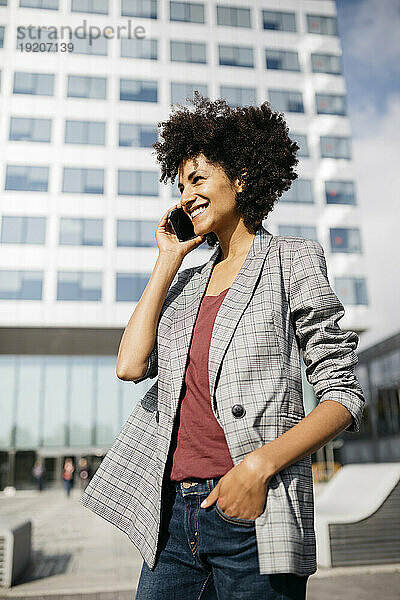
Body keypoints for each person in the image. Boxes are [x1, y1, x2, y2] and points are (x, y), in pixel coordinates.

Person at [80, 92, 365, 599]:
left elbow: (343, 395)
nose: (186, 195)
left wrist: (257, 468)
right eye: (181, 184)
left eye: (198, 179)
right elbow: (129, 365)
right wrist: (168, 259)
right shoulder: (187, 283)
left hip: (252, 508)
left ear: (241, 177)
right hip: (170, 518)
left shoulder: (291, 261)